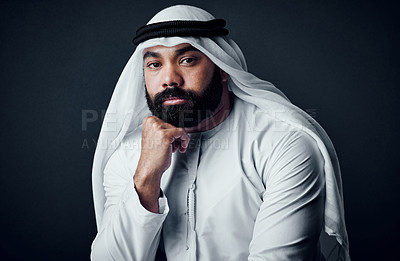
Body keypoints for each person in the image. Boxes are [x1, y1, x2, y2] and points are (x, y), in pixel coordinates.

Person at [90, 5, 350, 261]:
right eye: (155, 64)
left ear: (222, 67)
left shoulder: (284, 143)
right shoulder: (131, 153)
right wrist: (146, 179)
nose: (169, 79)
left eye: (187, 60)